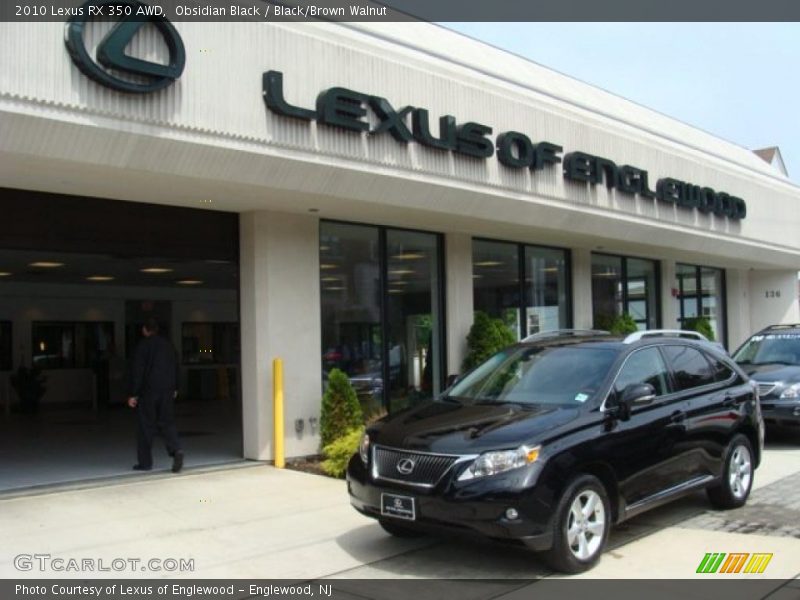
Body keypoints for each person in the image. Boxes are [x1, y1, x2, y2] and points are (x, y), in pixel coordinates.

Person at [127, 317, 184, 473]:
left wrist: (133, 393)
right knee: (167, 422)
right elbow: (176, 366)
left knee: (146, 426)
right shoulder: (169, 346)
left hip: (148, 391)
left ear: (145, 330)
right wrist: (176, 387)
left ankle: (145, 463)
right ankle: (176, 449)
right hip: (167, 390)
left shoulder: (142, 346)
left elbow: (138, 371)